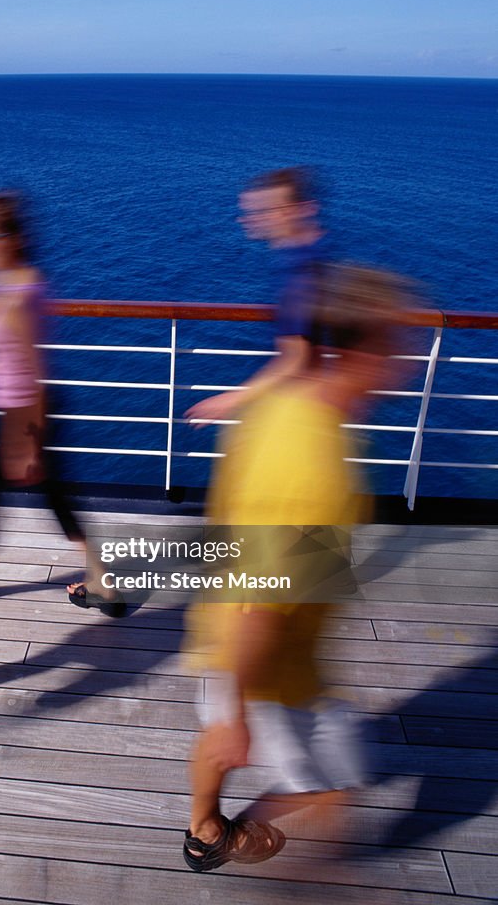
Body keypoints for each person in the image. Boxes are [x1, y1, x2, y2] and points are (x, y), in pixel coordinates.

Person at [182, 263, 408, 873]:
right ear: (363, 351)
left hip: (220, 625)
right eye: (399, 346)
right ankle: (297, 879)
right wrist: (238, 709)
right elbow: (266, 599)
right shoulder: (321, 468)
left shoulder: (278, 409)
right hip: (275, 667)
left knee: (219, 737)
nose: (407, 363)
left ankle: (203, 827)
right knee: (334, 791)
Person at [0, 191, 124, 616]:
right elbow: (10, 353)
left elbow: (30, 362)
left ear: (5, 240)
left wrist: (28, 436)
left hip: (21, 414)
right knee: (28, 497)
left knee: (38, 497)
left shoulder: (19, 293)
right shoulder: (8, 282)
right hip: (11, 408)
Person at [186, 166, 329, 427]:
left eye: (261, 211)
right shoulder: (311, 257)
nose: (246, 219)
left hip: (302, 411)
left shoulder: (301, 274)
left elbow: (296, 360)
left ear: (291, 211)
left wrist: (229, 401)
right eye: (250, 211)